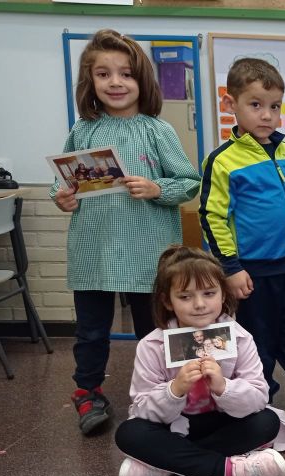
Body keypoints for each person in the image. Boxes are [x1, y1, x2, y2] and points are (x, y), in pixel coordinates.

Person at [49, 29, 201, 435]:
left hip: (148, 253)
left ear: (142, 80)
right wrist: (61, 197)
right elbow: (62, 182)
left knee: (154, 331)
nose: (115, 82)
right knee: (90, 331)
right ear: (90, 81)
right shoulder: (83, 131)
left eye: (126, 74)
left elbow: (189, 182)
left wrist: (156, 188)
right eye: (104, 74)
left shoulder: (157, 130)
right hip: (94, 251)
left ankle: (163, 392)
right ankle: (88, 393)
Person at [114, 246, 285, 476]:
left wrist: (224, 387)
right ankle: (232, 468)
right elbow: (141, 406)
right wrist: (174, 390)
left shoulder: (240, 337)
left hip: (223, 423)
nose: (199, 304)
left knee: (267, 422)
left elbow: (259, 396)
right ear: (167, 301)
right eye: (185, 297)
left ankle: (163, 465)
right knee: (129, 433)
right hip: (173, 425)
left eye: (209, 293)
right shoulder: (152, 345)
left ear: (223, 295)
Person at [199, 58, 285, 419]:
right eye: (255, 105)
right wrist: (231, 268)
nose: (267, 115)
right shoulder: (223, 161)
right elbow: (211, 216)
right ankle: (260, 397)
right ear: (230, 104)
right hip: (252, 271)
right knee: (258, 339)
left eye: (274, 106)